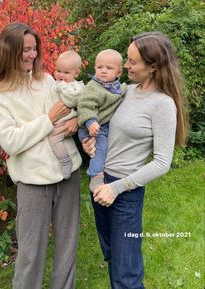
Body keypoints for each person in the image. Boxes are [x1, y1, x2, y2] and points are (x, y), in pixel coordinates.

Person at [82, 32, 188, 289]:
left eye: (132, 62)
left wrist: (116, 188)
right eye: (127, 59)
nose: (126, 66)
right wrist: (90, 144)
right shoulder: (125, 92)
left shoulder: (163, 104)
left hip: (124, 194)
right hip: (100, 185)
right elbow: (106, 129)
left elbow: (162, 162)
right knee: (113, 260)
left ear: (153, 67)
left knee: (126, 275)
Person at [0, 22, 82, 289]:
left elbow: (70, 109)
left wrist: (76, 121)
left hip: (68, 172)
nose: (31, 55)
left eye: (33, 49)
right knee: (30, 252)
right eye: (24, 50)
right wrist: (48, 120)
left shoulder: (47, 79)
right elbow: (12, 142)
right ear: (9, 52)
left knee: (68, 245)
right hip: (33, 180)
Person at [78, 49, 127, 192]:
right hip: (91, 127)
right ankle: (96, 176)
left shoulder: (117, 88)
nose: (103, 71)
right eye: (100, 67)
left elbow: (123, 92)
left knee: (107, 148)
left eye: (109, 68)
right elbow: (84, 105)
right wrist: (90, 122)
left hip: (103, 126)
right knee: (100, 148)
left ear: (118, 73)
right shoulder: (93, 87)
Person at [49, 50, 84, 179]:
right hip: (57, 118)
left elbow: (73, 100)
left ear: (77, 73)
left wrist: (61, 87)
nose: (61, 75)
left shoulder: (76, 87)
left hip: (67, 119)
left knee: (53, 139)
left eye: (66, 72)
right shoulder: (57, 83)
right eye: (58, 71)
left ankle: (65, 161)